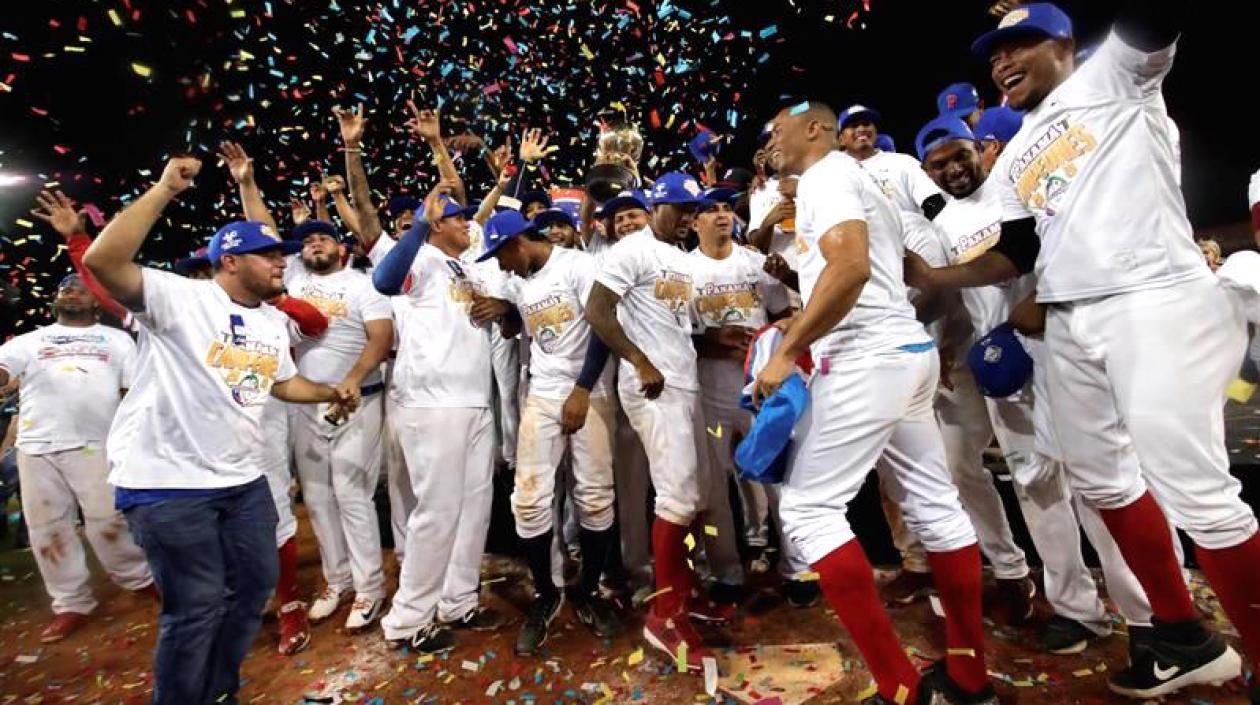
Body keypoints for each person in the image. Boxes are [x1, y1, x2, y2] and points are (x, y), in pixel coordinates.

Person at [909, 2, 1255, 699]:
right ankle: (1182, 635)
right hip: (1068, 318)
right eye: (994, 54)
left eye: (1019, 44)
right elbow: (1015, 251)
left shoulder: (1117, 74)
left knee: (1200, 494)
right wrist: (935, 277)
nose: (1002, 62)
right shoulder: (1015, 154)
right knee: (1102, 482)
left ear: (1065, 44)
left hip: (1151, 296)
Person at [81, 154, 359, 705]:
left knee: (254, 587)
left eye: (281, 253)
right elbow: (103, 261)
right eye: (268, 255)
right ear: (229, 261)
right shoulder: (179, 297)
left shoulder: (269, 321)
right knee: (197, 606)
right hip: (167, 483)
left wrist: (331, 391)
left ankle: (218, 690)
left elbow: (282, 384)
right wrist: (164, 188)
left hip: (241, 479)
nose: (281, 262)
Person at [754, 101, 993, 705]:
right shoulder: (860, 179)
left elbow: (851, 268)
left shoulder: (826, 176)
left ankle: (900, 688)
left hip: (866, 354)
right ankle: (969, 680)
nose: (770, 140)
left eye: (778, 129)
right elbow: (883, 267)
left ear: (815, 128)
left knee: (807, 512)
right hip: (905, 350)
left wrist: (790, 349)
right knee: (936, 506)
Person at [916, 114, 1162, 656]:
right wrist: (945, 342)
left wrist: (1044, 300)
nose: (953, 169)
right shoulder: (940, 227)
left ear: (982, 149)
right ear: (926, 171)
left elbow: (1065, 251)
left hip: (1059, 346)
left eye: (960, 155)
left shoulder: (1018, 192)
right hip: (1002, 365)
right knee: (1035, 486)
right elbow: (954, 299)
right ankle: (1077, 611)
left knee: (1100, 484)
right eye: (938, 163)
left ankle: (1146, 613)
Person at [585, 173, 729, 673]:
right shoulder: (631, 250)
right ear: (654, 208)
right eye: (680, 208)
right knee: (678, 497)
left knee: (696, 493)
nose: (689, 217)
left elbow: (675, 325)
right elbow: (597, 311)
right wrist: (639, 360)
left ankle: (682, 595)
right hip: (652, 386)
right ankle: (664, 617)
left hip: (683, 382)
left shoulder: (679, 258)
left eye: (693, 209)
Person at [476, 209, 624, 655]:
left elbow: (602, 327)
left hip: (590, 391)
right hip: (541, 392)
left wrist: (582, 389)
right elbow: (515, 324)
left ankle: (590, 589)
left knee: (594, 496)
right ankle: (546, 592)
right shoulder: (519, 281)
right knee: (528, 500)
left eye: (501, 256)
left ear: (517, 243)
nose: (500, 266)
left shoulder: (578, 265)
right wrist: (506, 312)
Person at [373, 187, 510, 653]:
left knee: (474, 509)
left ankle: (458, 601)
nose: (467, 223)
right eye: (457, 218)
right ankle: (408, 619)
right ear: (436, 225)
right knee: (437, 512)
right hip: (432, 403)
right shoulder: (420, 258)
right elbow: (384, 281)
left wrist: (503, 308)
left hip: (473, 398)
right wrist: (417, 227)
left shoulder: (463, 265)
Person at [0, 274, 154, 643]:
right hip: (37, 446)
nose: (70, 291)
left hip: (98, 443)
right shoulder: (31, 341)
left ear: (97, 301)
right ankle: (70, 602)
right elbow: (5, 370)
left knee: (109, 520)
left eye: (80, 288)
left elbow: (132, 392)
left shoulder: (117, 340)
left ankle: (140, 580)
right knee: (47, 529)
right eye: (64, 288)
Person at [686, 199, 818, 607]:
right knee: (716, 490)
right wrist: (713, 342)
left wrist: (766, 339)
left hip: (760, 391)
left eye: (726, 208)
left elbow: (786, 318)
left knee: (781, 482)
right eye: (710, 210)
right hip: (710, 392)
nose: (722, 215)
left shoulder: (757, 263)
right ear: (694, 222)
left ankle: (797, 567)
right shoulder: (684, 270)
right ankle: (726, 571)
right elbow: (677, 336)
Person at [282, 218, 394, 631]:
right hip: (307, 403)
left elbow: (381, 337)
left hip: (357, 400)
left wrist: (353, 378)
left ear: (340, 248)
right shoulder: (293, 281)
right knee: (316, 498)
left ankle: (370, 588)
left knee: (352, 495)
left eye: (323, 239)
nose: (315, 245)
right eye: (308, 241)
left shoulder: (362, 285)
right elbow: (262, 226)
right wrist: (247, 186)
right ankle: (338, 580)